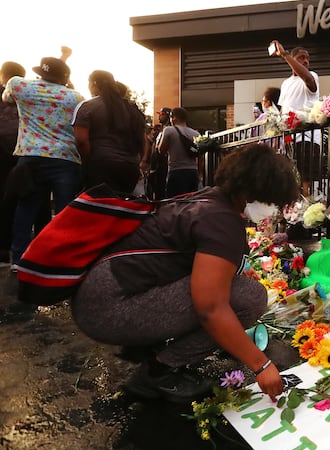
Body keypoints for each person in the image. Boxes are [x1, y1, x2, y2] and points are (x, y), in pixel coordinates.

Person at [70, 143, 300, 403]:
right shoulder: (221, 221)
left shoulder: (208, 200)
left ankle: (149, 347)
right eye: (272, 202)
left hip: (100, 297)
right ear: (254, 191)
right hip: (108, 309)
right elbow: (210, 308)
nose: (273, 211)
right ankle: (160, 371)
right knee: (249, 298)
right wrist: (261, 365)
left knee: (236, 288)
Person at [2, 57, 84, 270]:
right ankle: (62, 259)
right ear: (64, 78)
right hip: (65, 158)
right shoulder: (75, 97)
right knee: (65, 213)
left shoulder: (21, 86)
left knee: (26, 207)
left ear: (41, 73)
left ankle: (18, 259)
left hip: (31, 156)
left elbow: (7, 98)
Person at [72, 70, 146, 193]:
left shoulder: (88, 106)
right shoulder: (133, 109)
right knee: (120, 207)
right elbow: (143, 142)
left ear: (93, 84)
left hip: (100, 165)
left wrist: (87, 162)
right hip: (130, 166)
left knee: (98, 207)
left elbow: (81, 140)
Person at [270, 40, 321, 194]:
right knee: (291, 179)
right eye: (301, 57)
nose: (306, 61)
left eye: (307, 58)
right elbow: (284, 109)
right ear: (293, 59)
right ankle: (293, 212)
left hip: (308, 137)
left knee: (306, 179)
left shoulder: (312, 75)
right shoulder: (285, 83)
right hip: (290, 139)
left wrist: (284, 54)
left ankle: (306, 210)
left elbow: (308, 80)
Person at [0, 61, 27, 263]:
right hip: (21, 151)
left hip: (2, 150)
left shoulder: (6, 93)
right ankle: (10, 245)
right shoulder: (26, 94)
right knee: (18, 198)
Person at [157, 107, 200, 197]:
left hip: (176, 171)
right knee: (190, 202)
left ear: (174, 118)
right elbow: (200, 155)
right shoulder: (196, 134)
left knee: (175, 202)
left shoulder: (169, 130)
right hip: (193, 172)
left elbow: (161, 150)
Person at [146, 108, 171, 200]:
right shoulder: (161, 131)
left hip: (163, 167)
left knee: (162, 191)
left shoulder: (170, 130)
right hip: (156, 167)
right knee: (155, 191)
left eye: (162, 114)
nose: (159, 116)